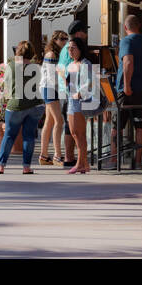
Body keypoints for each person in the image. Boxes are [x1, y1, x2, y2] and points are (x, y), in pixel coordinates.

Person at [0, 40, 43, 174]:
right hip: (35, 105)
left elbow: (6, 85)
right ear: (31, 53)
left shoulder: (11, 66)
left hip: (16, 105)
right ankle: (26, 167)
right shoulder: (36, 67)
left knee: (9, 135)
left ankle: (1, 166)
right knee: (29, 136)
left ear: (17, 52)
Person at [116, 13, 142, 167]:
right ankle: (138, 161)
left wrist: (126, 85)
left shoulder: (126, 40)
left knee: (117, 125)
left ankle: (114, 160)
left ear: (125, 27)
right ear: (139, 26)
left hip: (127, 90)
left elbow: (127, 63)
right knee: (141, 126)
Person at [55, 18, 88, 167]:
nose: (86, 34)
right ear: (78, 33)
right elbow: (68, 70)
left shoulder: (66, 48)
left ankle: (74, 158)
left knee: (71, 126)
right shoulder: (72, 48)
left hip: (67, 90)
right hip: (70, 91)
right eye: (84, 31)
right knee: (72, 127)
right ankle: (70, 157)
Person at [64, 36, 98, 174]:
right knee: (73, 132)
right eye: (68, 48)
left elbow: (89, 82)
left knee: (79, 133)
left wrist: (79, 93)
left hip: (80, 101)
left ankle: (80, 163)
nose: (70, 51)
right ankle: (84, 164)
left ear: (80, 49)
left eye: (73, 48)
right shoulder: (70, 65)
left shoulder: (85, 64)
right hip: (71, 101)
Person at [37, 31, 67, 166]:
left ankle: (44, 155)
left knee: (49, 122)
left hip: (51, 88)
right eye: (62, 39)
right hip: (49, 88)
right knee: (59, 121)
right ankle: (57, 155)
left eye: (66, 39)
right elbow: (51, 77)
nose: (64, 41)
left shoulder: (59, 54)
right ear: (54, 40)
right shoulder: (51, 54)